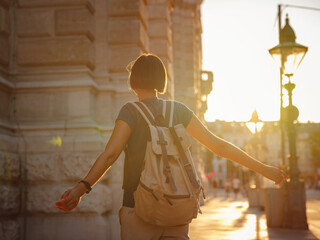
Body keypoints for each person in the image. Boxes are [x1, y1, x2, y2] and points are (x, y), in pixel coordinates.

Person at [55, 53, 285, 239]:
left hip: (138, 209)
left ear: (133, 81)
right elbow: (218, 146)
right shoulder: (180, 111)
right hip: (177, 208)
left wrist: (80, 189)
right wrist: (265, 169)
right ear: (160, 80)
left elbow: (110, 155)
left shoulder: (130, 112)